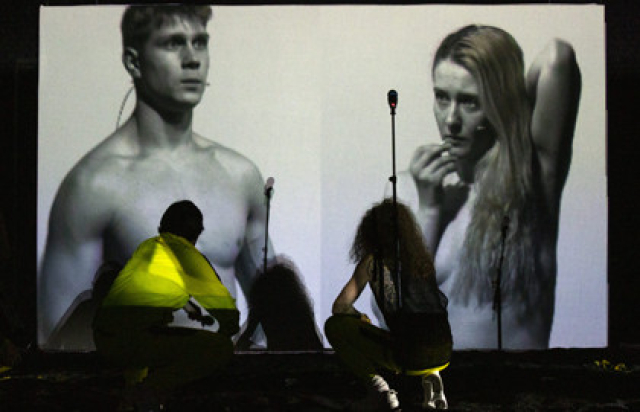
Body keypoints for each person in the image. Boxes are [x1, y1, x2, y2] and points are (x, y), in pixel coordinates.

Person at [38, 5, 273, 350]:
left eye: (199, 42)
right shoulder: (94, 184)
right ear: (134, 62)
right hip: (141, 376)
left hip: (223, 375)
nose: (192, 59)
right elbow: (60, 336)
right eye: (173, 43)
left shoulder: (239, 176)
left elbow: (273, 309)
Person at [391, 25, 581, 349]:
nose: (450, 120)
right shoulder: (409, 188)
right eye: (442, 97)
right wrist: (429, 210)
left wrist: (510, 109)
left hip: (518, 380)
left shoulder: (531, 178)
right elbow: (392, 317)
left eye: (470, 102)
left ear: (498, 104)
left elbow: (557, 57)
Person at [92, 200, 239, 410]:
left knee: (153, 342)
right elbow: (227, 315)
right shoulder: (188, 255)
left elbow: (155, 289)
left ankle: (135, 396)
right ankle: (146, 392)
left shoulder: (148, 248)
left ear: (161, 228)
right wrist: (224, 334)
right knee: (220, 348)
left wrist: (190, 308)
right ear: (197, 235)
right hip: (134, 340)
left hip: (106, 338)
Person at [325, 199, 452, 411]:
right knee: (421, 331)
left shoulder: (372, 262)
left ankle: (379, 391)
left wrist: (358, 316)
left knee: (334, 326)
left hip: (410, 356)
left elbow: (339, 307)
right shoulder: (421, 259)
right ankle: (433, 380)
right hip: (444, 351)